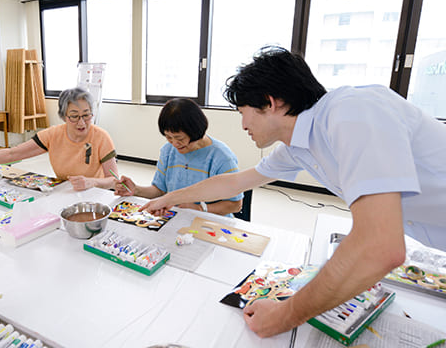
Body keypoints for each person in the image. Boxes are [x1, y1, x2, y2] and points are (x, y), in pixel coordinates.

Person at [141, 46, 446, 338]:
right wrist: (168, 198)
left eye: (242, 112)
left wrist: (285, 314)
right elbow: (234, 183)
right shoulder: (299, 145)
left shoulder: (353, 112)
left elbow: (379, 247)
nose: (244, 124)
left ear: (270, 102)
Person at [0, 87, 118, 191]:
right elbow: (12, 155)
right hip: (64, 191)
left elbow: (114, 180)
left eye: (86, 115)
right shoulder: (53, 135)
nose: (82, 122)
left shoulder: (101, 137)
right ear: (63, 116)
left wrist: (92, 182)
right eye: (74, 116)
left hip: (95, 194)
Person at [114, 98, 242, 216]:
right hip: (177, 218)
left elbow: (235, 205)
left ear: (196, 132)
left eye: (180, 138)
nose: (174, 144)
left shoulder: (222, 158)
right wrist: (136, 190)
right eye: (169, 137)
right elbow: (159, 190)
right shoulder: (168, 151)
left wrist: (200, 208)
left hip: (210, 224)